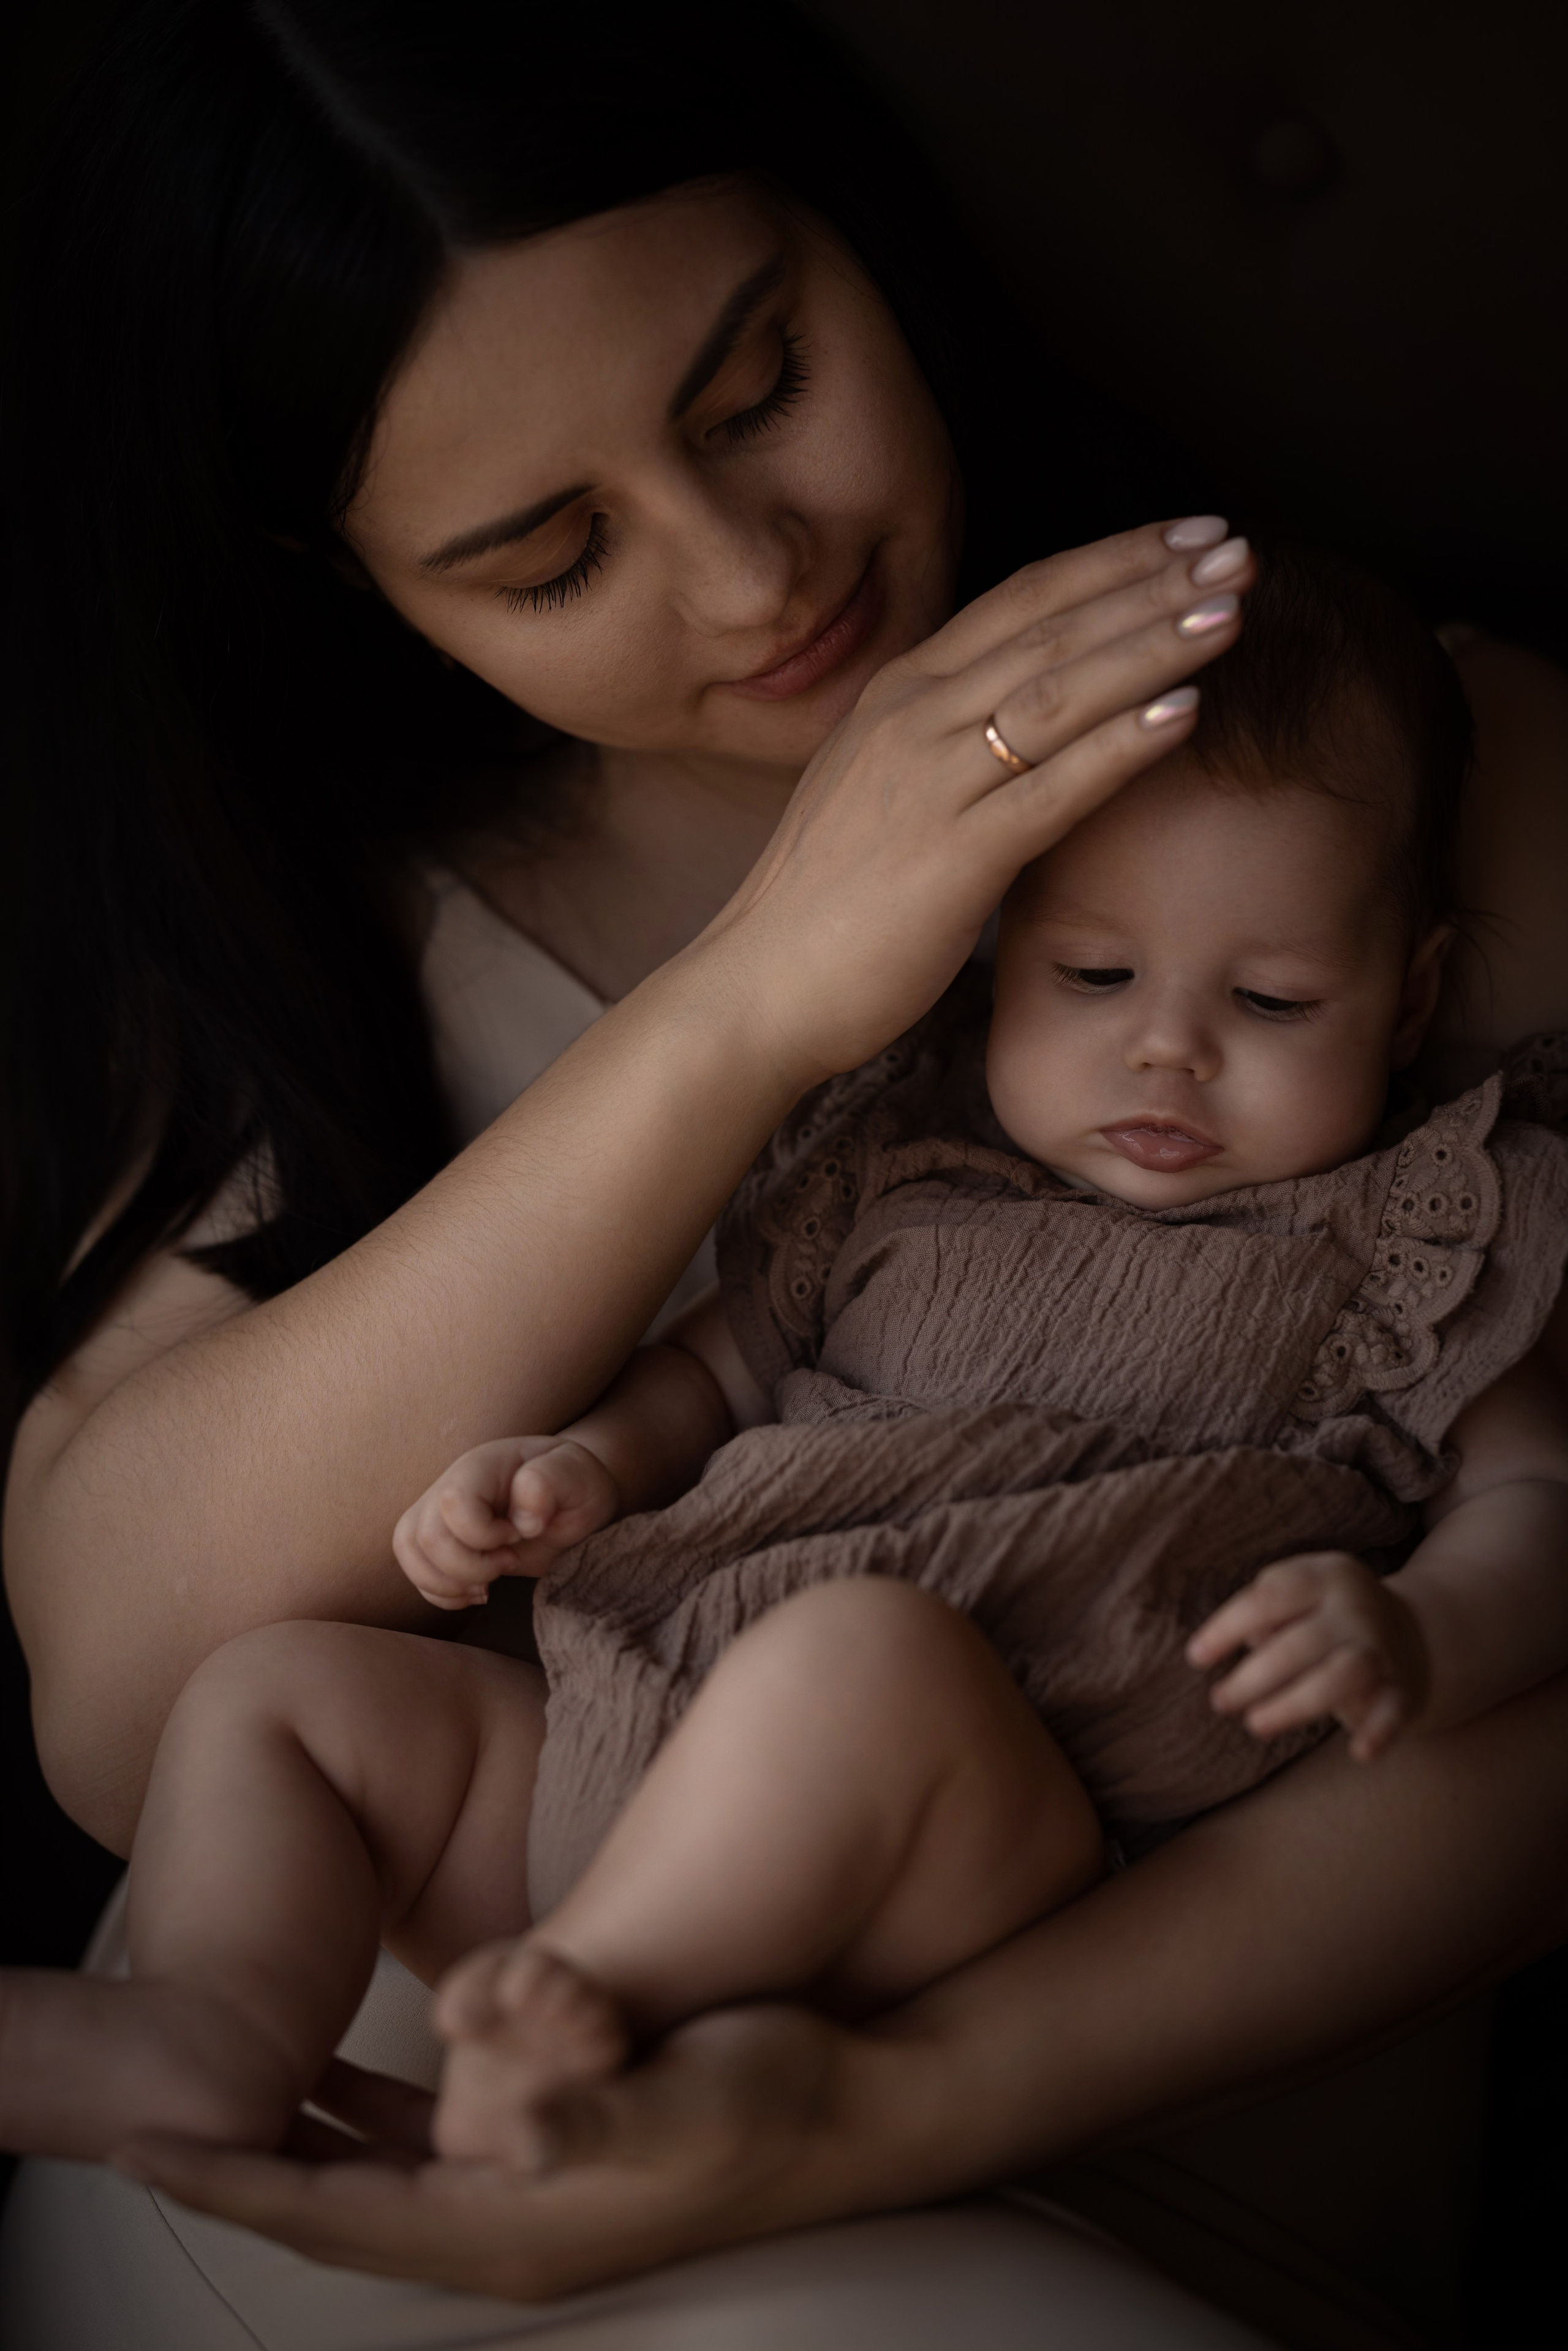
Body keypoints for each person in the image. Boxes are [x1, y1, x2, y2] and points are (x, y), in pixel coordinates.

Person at [2, 0, 1566, 2333]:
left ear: (847, 217)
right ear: (356, 579)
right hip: (323, 2103)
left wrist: (871, 2112)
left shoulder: (1403, 781)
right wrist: (754, 1003)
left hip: (1026, 2173)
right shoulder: (304, 958)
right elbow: (130, 1718)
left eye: (757, 388)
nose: (754, 577)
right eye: (550, 556)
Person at [6, 550, 1564, 2185]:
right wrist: (582, 1467)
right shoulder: (898, 1155)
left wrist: (1421, 1631)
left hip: (983, 1833)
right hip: (633, 1734)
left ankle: (583, 2015)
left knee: (856, 1654)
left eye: (1274, 999)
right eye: (1093, 976)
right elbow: (714, 1377)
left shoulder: (1423, 1229)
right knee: (282, 1692)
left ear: (1412, 1000)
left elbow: (1539, 1508)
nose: (1167, 1046)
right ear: (993, 944)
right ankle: (213, 2024)